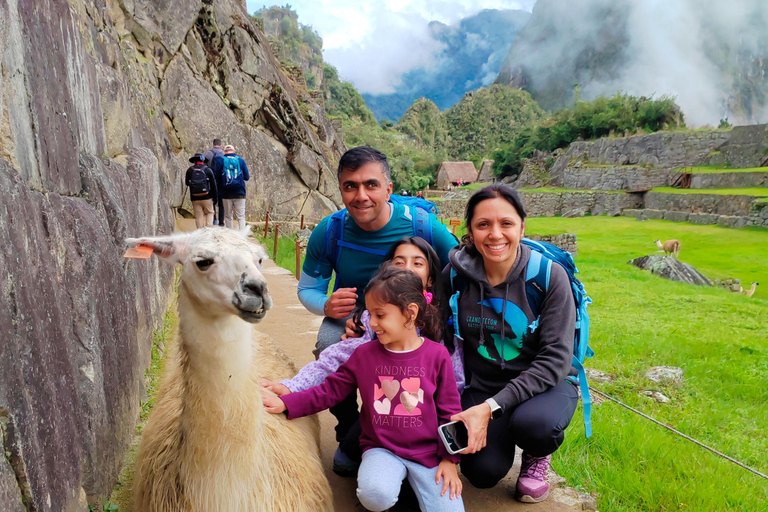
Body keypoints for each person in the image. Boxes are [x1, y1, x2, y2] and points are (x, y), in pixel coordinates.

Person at [297, 146, 458, 464]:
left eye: (370, 184)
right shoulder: (329, 232)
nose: (361, 196)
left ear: (388, 189)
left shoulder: (422, 227)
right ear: (341, 189)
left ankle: (426, 431)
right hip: (353, 317)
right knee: (329, 343)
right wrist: (327, 306)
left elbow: (459, 274)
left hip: (417, 317)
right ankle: (349, 430)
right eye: (350, 186)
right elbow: (307, 289)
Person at [263, 267, 465, 512]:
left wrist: (449, 460)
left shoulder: (437, 356)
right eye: (370, 314)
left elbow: (450, 410)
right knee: (374, 495)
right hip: (382, 449)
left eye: (380, 315)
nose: (372, 323)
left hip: (429, 454)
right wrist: (288, 403)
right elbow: (329, 391)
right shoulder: (364, 355)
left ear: (410, 313)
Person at [443, 183, 578, 503]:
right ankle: (501, 440)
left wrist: (489, 409)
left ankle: (536, 455)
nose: (495, 234)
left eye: (506, 223)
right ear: (471, 230)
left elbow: (556, 359)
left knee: (535, 425)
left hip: (546, 384)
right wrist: (367, 326)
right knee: (482, 473)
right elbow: (438, 335)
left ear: (522, 226)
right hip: (483, 384)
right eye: (483, 224)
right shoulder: (455, 275)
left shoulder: (548, 277)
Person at [211, 144, 250, 230]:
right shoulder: (240, 160)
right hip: (240, 193)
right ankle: (242, 237)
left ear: (224, 152)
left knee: (228, 216)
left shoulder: (221, 160)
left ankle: (230, 237)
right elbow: (247, 177)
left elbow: (216, 178)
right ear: (234, 151)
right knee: (241, 216)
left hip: (225, 193)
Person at [185, 153, 218, 228]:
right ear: (203, 161)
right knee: (209, 213)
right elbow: (214, 185)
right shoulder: (208, 170)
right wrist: (215, 198)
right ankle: (208, 232)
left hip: (195, 198)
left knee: (198, 217)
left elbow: (187, 183)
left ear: (194, 161)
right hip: (207, 197)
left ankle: (200, 234)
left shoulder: (190, 170)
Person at [204, 139, 225, 225]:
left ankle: (214, 220)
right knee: (221, 203)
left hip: (211, 182)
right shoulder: (224, 154)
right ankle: (221, 222)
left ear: (213, 144)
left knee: (212, 201)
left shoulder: (208, 154)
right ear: (221, 145)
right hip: (222, 182)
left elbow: (204, 168)